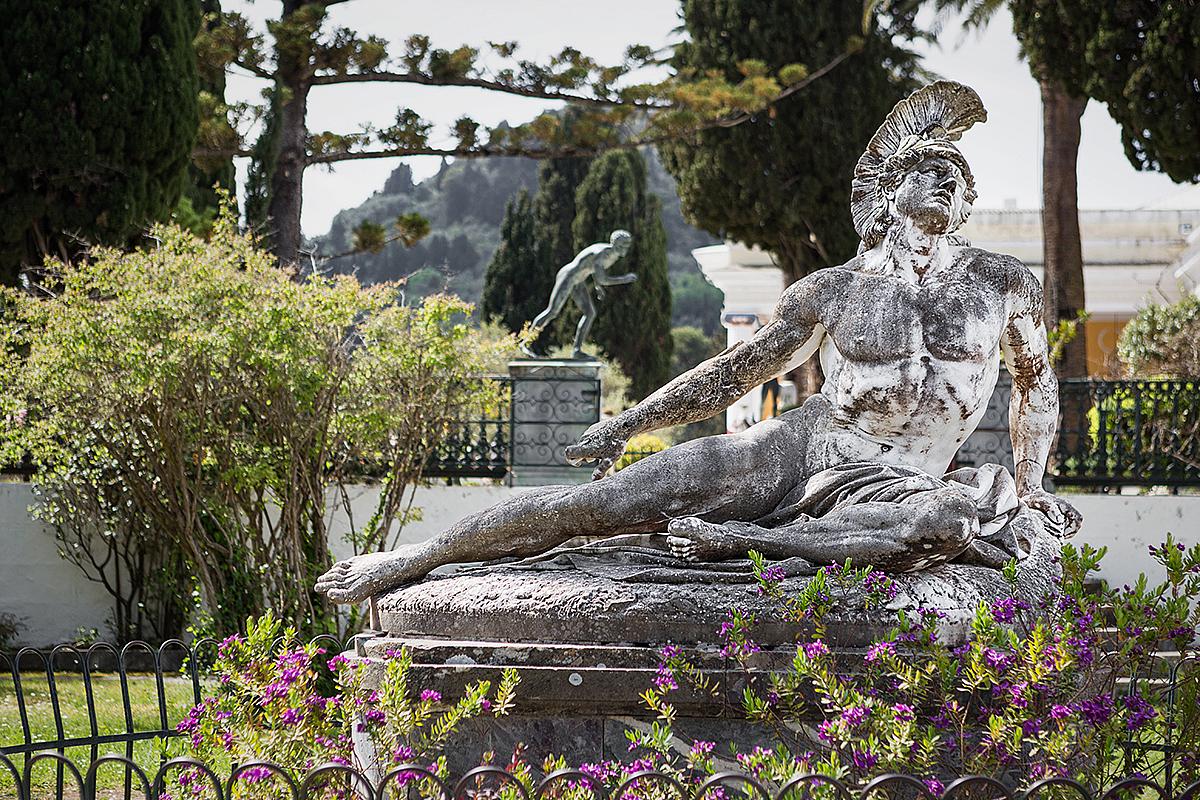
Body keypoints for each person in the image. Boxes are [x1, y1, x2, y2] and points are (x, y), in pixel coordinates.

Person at [317, 81, 1081, 605]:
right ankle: (422, 556)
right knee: (609, 501)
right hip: (802, 447)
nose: (948, 182)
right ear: (890, 191)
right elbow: (732, 374)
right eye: (931, 169)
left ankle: (740, 542)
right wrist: (627, 424)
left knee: (942, 524)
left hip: (906, 480)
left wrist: (1032, 484)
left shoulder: (1001, 283)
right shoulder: (835, 288)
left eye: (957, 177)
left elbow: (1036, 386)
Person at [520, 229, 636, 359]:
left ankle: (577, 351)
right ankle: (525, 343)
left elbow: (595, 271)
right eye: (623, 244)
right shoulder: (602, 253)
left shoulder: (612, 255)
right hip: (568, 277)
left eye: (627, 244)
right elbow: (603, 279)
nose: (625, 248)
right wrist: (624, 279)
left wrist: (597, 286)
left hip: (579, 281)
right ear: (615, 244)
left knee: (590, 313)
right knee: (552, 311)